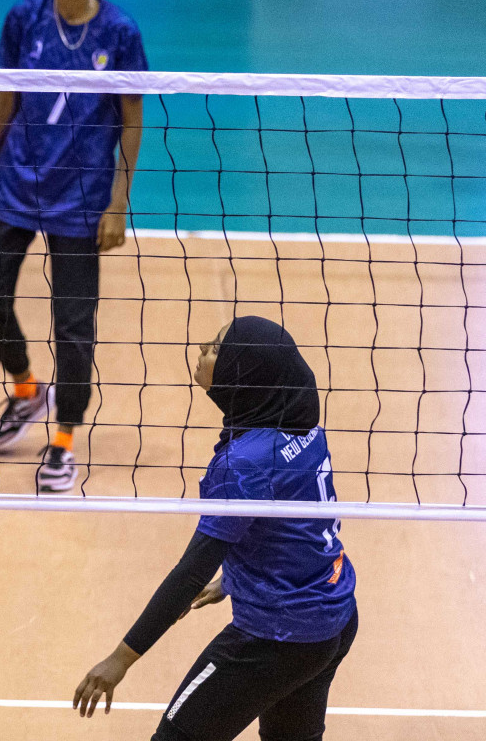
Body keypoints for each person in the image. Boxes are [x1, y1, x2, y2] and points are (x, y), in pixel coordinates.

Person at [73, 316, 358, 741]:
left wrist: (120, 659)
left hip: (277, 637)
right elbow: (294, 519)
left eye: (215, 348)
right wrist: (233, 578)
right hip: (334, 618)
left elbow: (189, 574)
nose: (203, 349)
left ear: (241, 375)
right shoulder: (301, 426)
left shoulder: (243, 466)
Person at [0, 0, 146, 492]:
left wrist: (119, 201)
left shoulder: (119, 31)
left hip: (83, 196)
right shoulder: (25, 17)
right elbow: (6, 96)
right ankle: (26, 390)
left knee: (74, 327)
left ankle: (64, 440)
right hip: (17, 185)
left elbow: (132, 116)